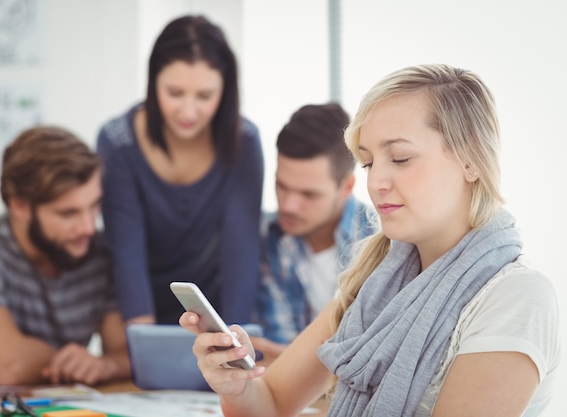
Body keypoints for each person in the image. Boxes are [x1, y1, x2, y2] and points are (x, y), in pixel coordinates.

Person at [180, 64, 561, 417]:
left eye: (400, 158)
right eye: (368, 162)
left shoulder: (516, 297)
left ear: (471, 161)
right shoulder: (375, 280)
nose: (376, 181)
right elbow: (273, 404)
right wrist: (235, 384)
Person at [96, 15, 264, 326]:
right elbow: (126, 254)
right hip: (133, 311)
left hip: (215, 316)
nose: (188, 112)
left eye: (204, 96)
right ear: (152, 82)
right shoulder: (117, 142)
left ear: (225, 91)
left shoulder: (245, 141)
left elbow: (241, 254)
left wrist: (232, 342)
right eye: (174, 93)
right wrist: (142, 346)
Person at [0, 126, 130, 386]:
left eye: (94, 205)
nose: (88, 227)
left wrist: (104, 365)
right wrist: (80, 364)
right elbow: (8, 366)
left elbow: (126, 351)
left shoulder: (98, 251)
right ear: (19, 205)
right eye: (68, 213)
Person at [253, 103, 377, 365]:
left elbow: (372, 361)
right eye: (281, 186)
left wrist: (298, 367)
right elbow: (278, 352)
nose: (288, 205)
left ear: (347, 186)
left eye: (308, 194)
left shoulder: (383, 242)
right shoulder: (268, 238)